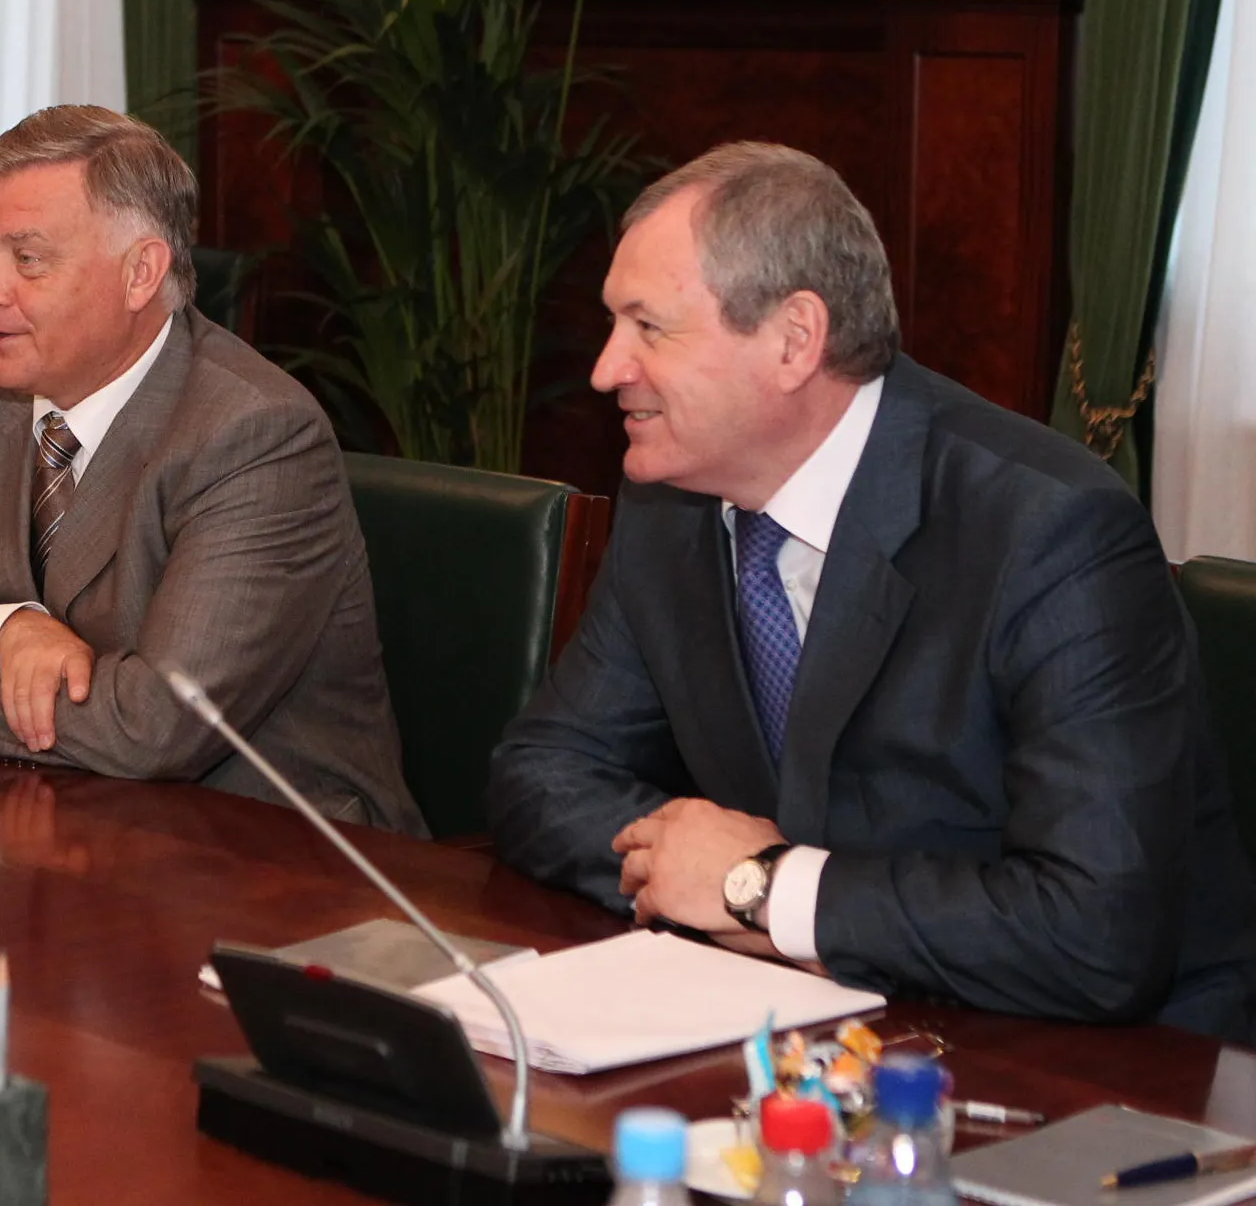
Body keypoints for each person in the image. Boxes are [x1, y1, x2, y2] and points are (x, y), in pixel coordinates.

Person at [488, 142, 1256, 1036]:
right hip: (821, 1026)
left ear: (793, 340)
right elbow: (542, 774)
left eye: (648, 327)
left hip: (1108, 1065)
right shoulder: (673, 507)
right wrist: (697, 870)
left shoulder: (1050, 530)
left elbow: (1098, 932)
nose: (606, 368)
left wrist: (763, 889)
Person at [0, 106, 424, 835]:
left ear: (140, 273)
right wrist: (5, 632)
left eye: (27, 259)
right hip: (45, 822)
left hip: (267, 850)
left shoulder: (254, 434)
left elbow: (159, 722)